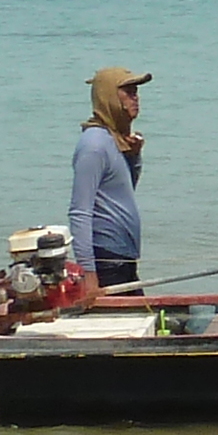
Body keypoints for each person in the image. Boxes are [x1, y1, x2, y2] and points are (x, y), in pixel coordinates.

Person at [72, 67, 149, 291]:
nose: (136, 98)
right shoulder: (94, 145)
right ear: (109, 97)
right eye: (129, 92)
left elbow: (122, 192)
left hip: (122, 257)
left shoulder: (114, 139)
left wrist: (134, 157)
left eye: (136, 92)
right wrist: (88, 273)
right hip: (106, 261)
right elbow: (80, 211)